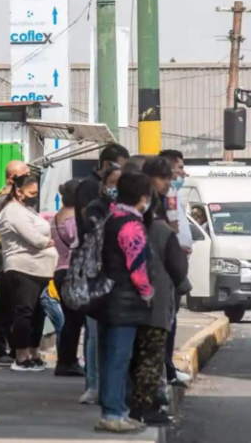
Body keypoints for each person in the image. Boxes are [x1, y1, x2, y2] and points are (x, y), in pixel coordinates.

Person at [96, 172, 154, 433]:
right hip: (124, 301)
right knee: (119, 358)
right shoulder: (131, 225)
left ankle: (117, 410)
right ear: (143, 198)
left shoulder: (111, 218)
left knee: (111, 357)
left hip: (108, 297)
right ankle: (112, 413)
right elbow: (137, 268)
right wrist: (147, 292)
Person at [129, 202, 190, 426]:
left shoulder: (118, 225)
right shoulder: (161, 231)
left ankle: (130, 406)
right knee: (151, 358)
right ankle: (146, 407)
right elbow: (179, 270)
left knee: (130, 358)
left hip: (124, 307)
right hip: (155, 304)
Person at [0, 174, 59, 372]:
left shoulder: (26, 210)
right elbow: (35, 239)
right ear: (18, 191)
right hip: (23, 268)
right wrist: (47, 241)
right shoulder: (12, 211)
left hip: (40, 269)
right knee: (24, 311)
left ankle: (33, 353)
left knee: (38, 314)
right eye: (31, 193)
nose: (34, 197)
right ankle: (21, 355)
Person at [143, 157, 192, 388]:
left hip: (165, 275)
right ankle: (156, 387)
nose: (168, 183)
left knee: (167, 326)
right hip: (154, 279)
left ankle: (166, 372)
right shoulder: (148, 207)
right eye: (164, 178)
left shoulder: (167, 200)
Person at [78, 166, 122, 405]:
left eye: (120, 183)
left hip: (120, 279)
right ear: (104, 185)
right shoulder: (97, 207)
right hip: (97, 277)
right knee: (94, 334)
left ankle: (111, 386)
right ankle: (93, 384)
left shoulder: (129, 208)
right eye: (113, 183)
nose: (116, 188)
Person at [0, 160, 30, 367]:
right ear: (12, 178)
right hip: (5, 259)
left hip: (14, 258)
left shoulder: (15, 198)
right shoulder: (5, 199)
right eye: (25, 174)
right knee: (2, 305)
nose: (29, 176)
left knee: (12, 305)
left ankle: (10, 348)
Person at [40, 179, 86, 377]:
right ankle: (67, 361)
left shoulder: (56, 218)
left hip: (59, 270)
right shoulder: (72, 221)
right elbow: (79, 245)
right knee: (74, 321)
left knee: (70, 319)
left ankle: (66, 360)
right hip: (71, 271)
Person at [75, 143, 130, 234]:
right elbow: (89, 221)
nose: (122, 172)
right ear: (107, 164)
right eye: (120, 168)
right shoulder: (88, 186)